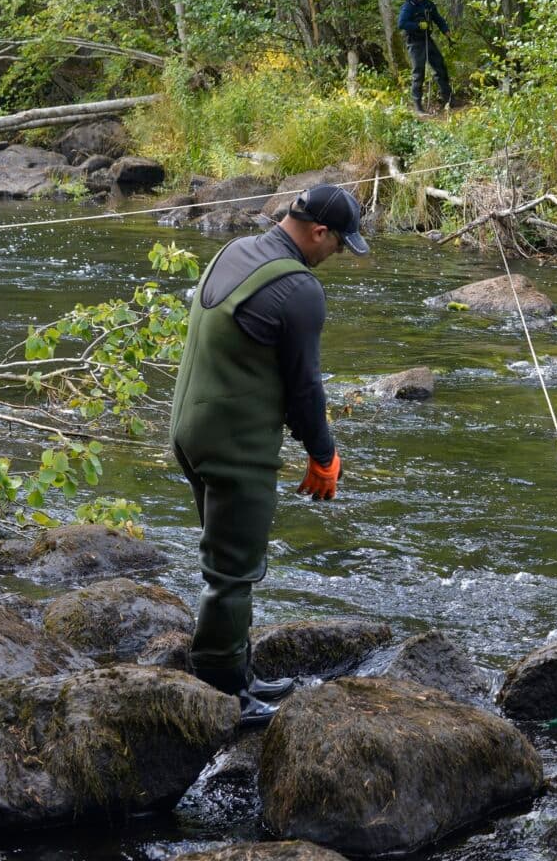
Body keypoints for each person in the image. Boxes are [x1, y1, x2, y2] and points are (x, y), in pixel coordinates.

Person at [169, 183, 369, 725]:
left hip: (190, 429)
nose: (338, 255)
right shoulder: (298, 289)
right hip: (235, 446)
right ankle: (223, 692)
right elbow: (306, 390)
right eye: (339, 243)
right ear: (318, 232)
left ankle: (241, 672)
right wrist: (324, 456)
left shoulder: (236, 250)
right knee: (234, 569)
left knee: (228, 556)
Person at [397, 0, 453, 114]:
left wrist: (446, 31)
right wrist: (417, 25)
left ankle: (448, 99)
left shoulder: (428, 4)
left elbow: (438, 19)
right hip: (415, 43)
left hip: (428, 40)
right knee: (418, 73)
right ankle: (418, 106)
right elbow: (401, 24)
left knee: (440, 67)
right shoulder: (409, 5)